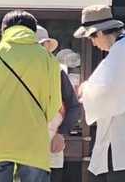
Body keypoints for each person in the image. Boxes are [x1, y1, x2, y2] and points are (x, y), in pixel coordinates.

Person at [0, 10, 64, 182]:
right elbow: (54, 104)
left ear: (4, 31)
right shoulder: (48, 60)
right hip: (34, 143)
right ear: (33, 32)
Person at [73, 5, 125, 181]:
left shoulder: (122, 50)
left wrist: (85, 89)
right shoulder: (124, 48)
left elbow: (109, 91)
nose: (93, 43)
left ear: (99, 33)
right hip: (124, 139)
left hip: (120, 140)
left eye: (92, 38)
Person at [34, 25, 84, 180]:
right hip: (22, 146)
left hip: (51, 142)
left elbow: (74, 106)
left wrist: (61, 134)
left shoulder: (57, 71)